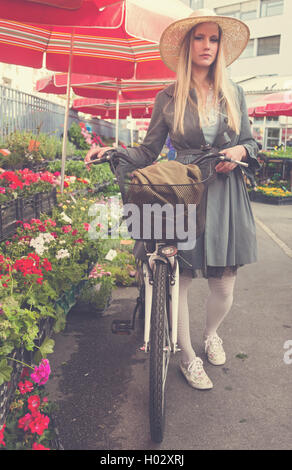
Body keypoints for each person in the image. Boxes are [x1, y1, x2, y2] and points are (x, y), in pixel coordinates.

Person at [85, 9, 260, 390]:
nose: (207, 46)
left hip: (226, 194)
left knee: (224, 285)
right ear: (187, 45)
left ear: (220, 47)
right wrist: (113, 152)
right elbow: (149, 151)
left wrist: (239, 153)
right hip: (183, 191)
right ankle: (187, 356)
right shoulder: (168, 96)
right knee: (179, 279)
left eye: (214, 39)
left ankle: (211, 333)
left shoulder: (236, 93)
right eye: (200, 38)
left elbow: (250, 140)